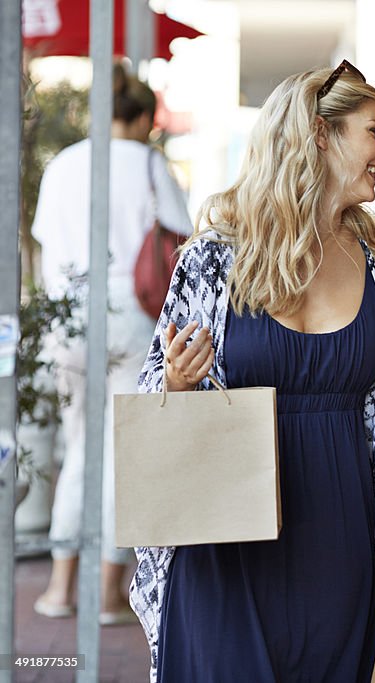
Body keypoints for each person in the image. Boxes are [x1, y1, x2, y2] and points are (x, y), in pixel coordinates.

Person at [129, 61, 375, 683]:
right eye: (373, 132)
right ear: (320, 137)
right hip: (225, 533)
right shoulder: (215, 259)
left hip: (340, 530)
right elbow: (152, 395)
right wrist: (176, 382)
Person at [31, 63, 192, 625]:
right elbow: (183, 235)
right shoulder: (150, 163)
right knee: (125, 451)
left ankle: (58, 589)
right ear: (146, 117)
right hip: (133, 318)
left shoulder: (65, 164)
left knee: (79, 446)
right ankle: (106, 598)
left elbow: (47, 246)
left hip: (69, 321)